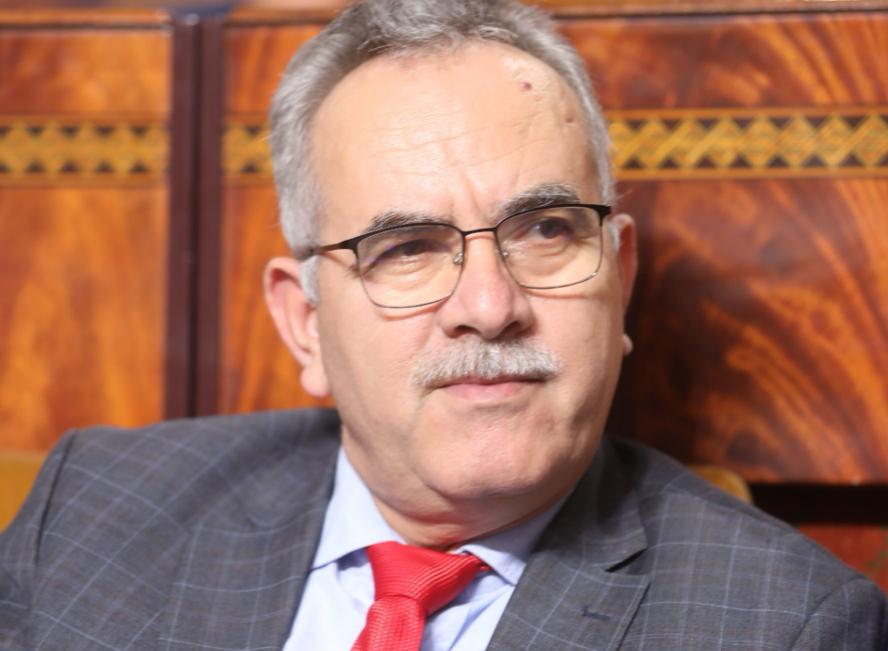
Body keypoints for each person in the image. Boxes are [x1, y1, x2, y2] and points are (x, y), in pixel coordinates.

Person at [1, 0, 886, 649]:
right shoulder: (91, 513)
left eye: (546, 231)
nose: (489, 308)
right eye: (407, 248)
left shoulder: (786, 624)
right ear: (305, 322)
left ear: (620, 281)